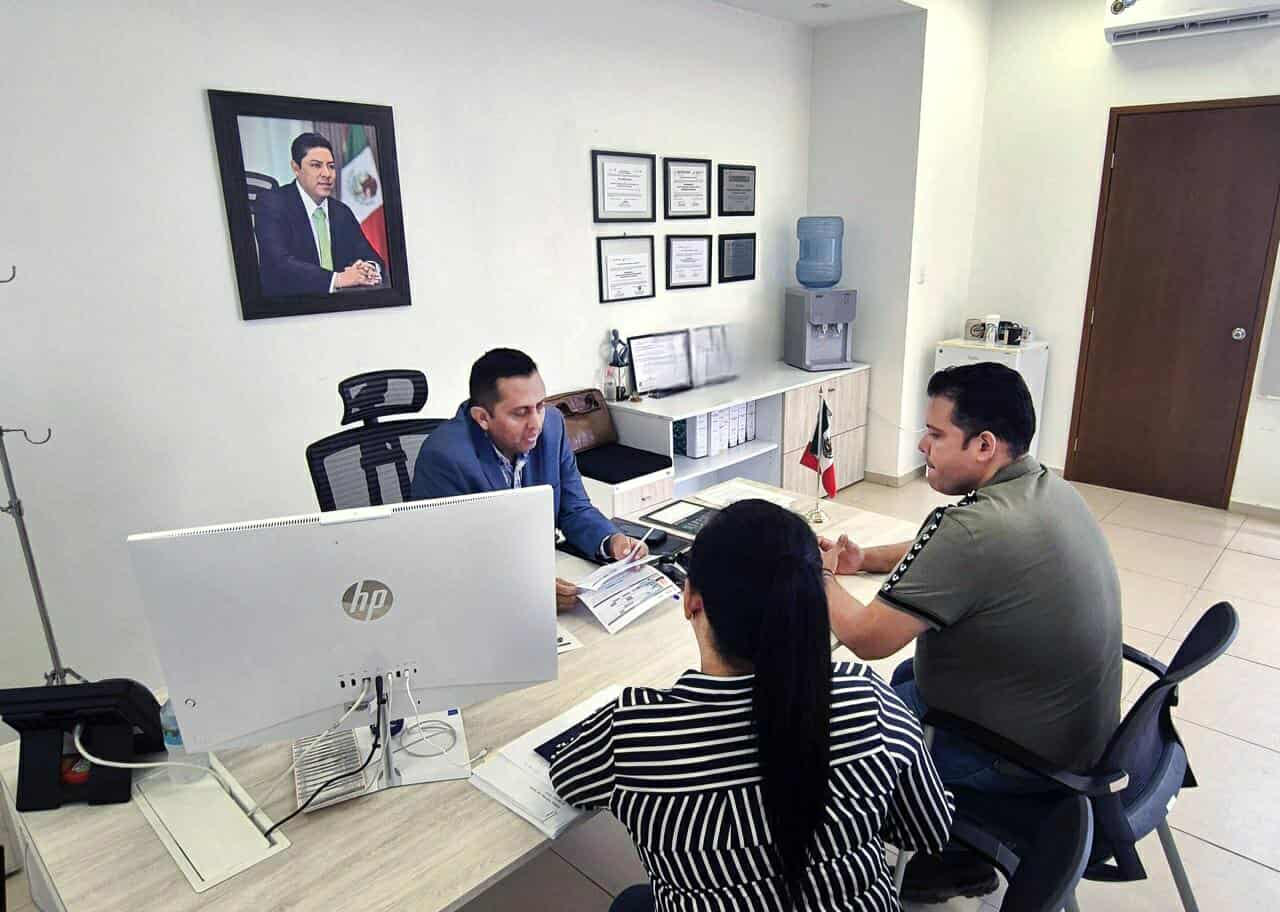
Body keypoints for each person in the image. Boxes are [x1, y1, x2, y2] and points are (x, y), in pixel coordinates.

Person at [550, 500, 954, 912]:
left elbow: (567, 779)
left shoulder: (636, 732)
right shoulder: (869, 700)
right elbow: (928, 829)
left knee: (631, 904)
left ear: (691, 601)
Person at [818, 362, 1122, 903]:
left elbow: (866, 639)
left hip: (1016, 759)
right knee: (904, 678)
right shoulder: (1046, 488)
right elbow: (947, 550)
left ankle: (908, 857)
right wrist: (866, 560)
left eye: (935, 435)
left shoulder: (972, 531)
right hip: (1070, 734)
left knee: (831, 740)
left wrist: (815, 574)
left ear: (984, 445)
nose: (921, 446)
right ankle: (952, 850)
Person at [410, 348, 647, 610]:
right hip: (483, 601)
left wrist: (612, 541)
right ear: (482, 418)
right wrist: (526, 590)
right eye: (520, 412)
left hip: (546, 570)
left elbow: (574, 508)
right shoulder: (444, 457)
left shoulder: (553, 427)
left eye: (540, 406)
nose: (536, 423)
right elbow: (446, 561)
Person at [253, 132, 385, 297]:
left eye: (331, 166)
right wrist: (336, 279)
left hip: (342, 304)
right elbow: (279, 264)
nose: (327, 174)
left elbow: (370, 256)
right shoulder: (272, 203)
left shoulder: (341, 211)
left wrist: (368, 268)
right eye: (316, 165)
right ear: (296, 168)